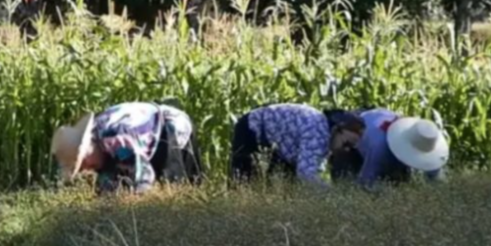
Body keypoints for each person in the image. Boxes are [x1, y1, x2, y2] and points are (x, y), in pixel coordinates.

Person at [51, 101, 203, 195]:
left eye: (83, 164)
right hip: (149, 133)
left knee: (177, 190)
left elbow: (143, 176)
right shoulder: (99, 142)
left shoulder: (116, 140)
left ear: (88, 148)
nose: (87, 169)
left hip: (170, 129)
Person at [229, 103, 365, 185]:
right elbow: (307, 175)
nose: (347, 150)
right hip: (251, 129)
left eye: (351, 148)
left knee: (284, 190)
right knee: (243, 183)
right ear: (338, 130)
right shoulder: (318, 133)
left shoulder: (324, 130)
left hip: (277, 146)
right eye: (346, 143)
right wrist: (333, 198)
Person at [329, 108, 448, 187]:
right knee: (346, 182)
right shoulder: (379, 147)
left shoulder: (424, 139)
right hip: (355, 133)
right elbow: (366, 183)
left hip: (373, 120)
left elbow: (438, 181)